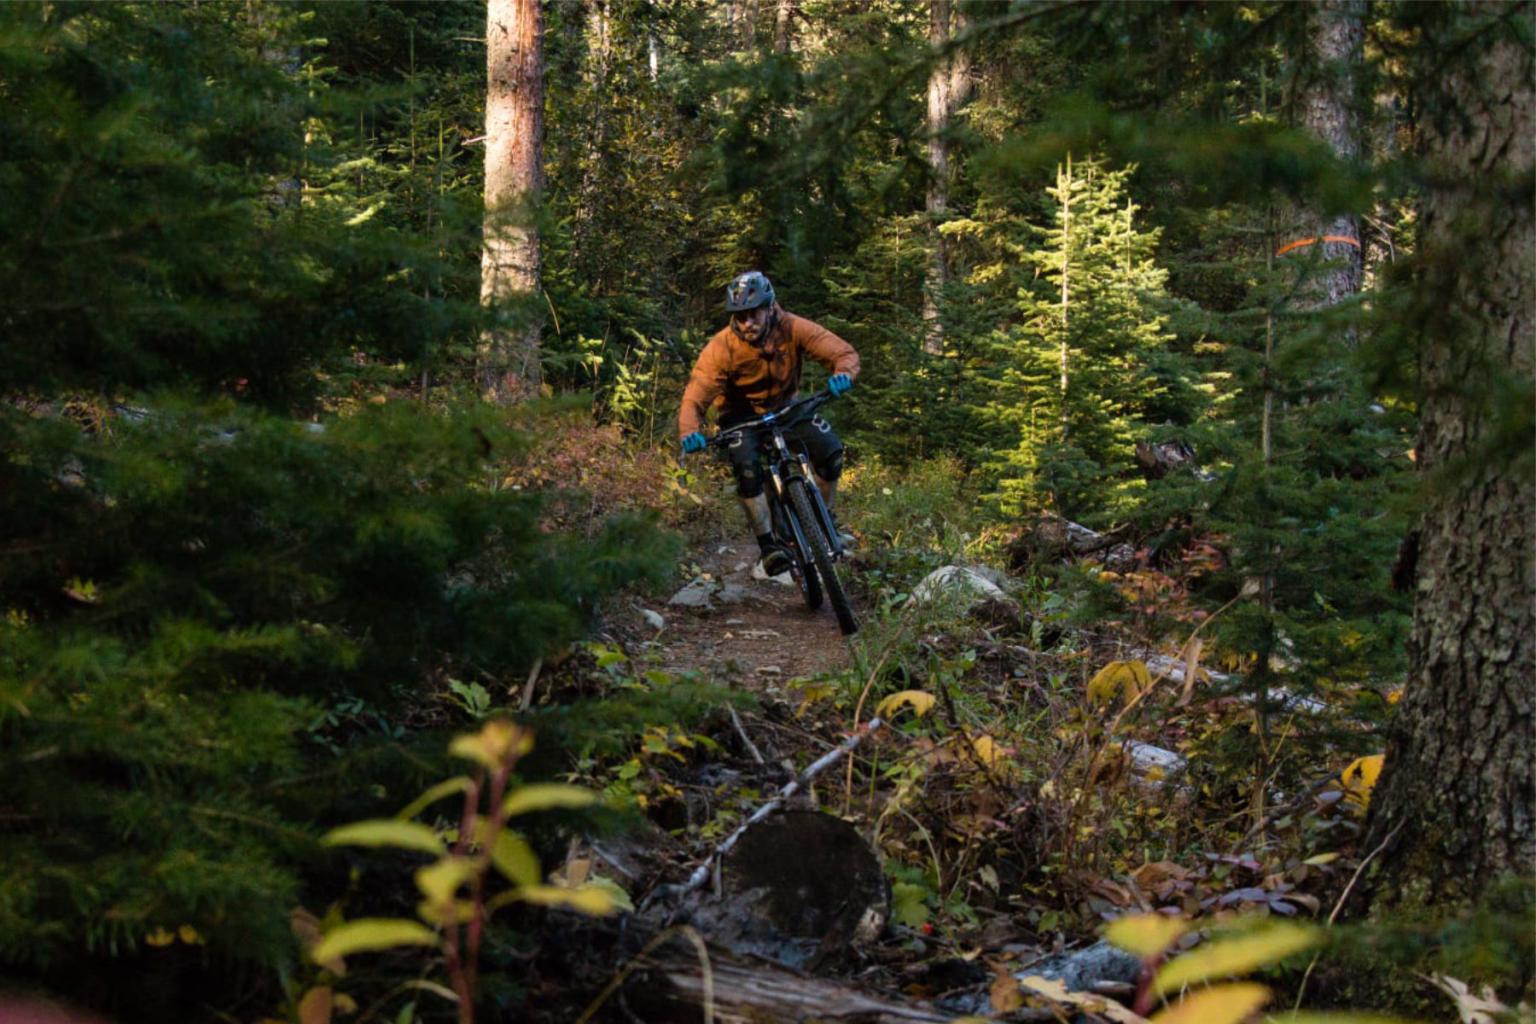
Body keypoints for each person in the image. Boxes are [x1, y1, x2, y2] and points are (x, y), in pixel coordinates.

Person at [678, 271, 859, 576]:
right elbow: (695, 397)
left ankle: (823, 519)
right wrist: (690, 431)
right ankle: (769, 547)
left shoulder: (791, 327)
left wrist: (843, 374)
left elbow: (842, 352)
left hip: (787, 408)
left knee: (831, 454)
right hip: (741, 419)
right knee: (747, 470)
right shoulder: (721, 347)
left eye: (754, 313)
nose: (748, 322)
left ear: (770, 306)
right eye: (740, 316)